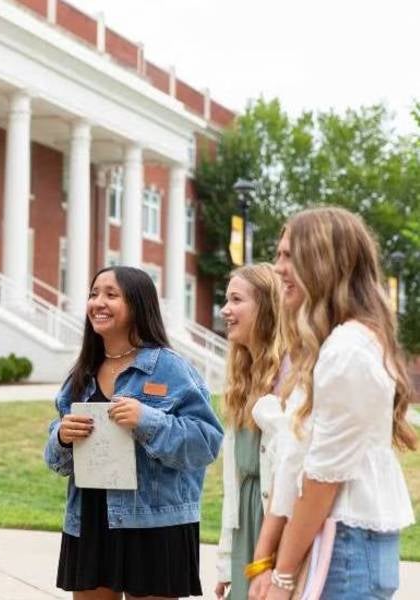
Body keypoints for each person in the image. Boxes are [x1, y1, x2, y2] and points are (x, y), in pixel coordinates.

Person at [248, 206, 416, 599]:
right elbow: (293, 461)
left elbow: (322, 479)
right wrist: (263, 562)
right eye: (278, 254)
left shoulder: (348, 350)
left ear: (324, 263)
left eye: (290, 256)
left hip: (344, 546)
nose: (278, 268)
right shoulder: (330, 347)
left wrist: (282, 576)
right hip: (333, 541)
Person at [44, 265, 223, 599]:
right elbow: (56, 460)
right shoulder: (82, 373)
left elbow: (207, 442)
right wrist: (62, 437)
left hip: (154, 523)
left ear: (138, 305)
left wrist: (148, 420)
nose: (98, 302)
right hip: (90, 520)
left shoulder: (170, 368)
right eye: (94, 294)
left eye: (111, 294)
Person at [214, 264, 286, 600]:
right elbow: (234, 483)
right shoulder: (242, 379)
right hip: (246, 525)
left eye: (236, 300)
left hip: (275, 525)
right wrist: (226, 564)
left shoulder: (289, 376)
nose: (224, 310)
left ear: (267, 308)